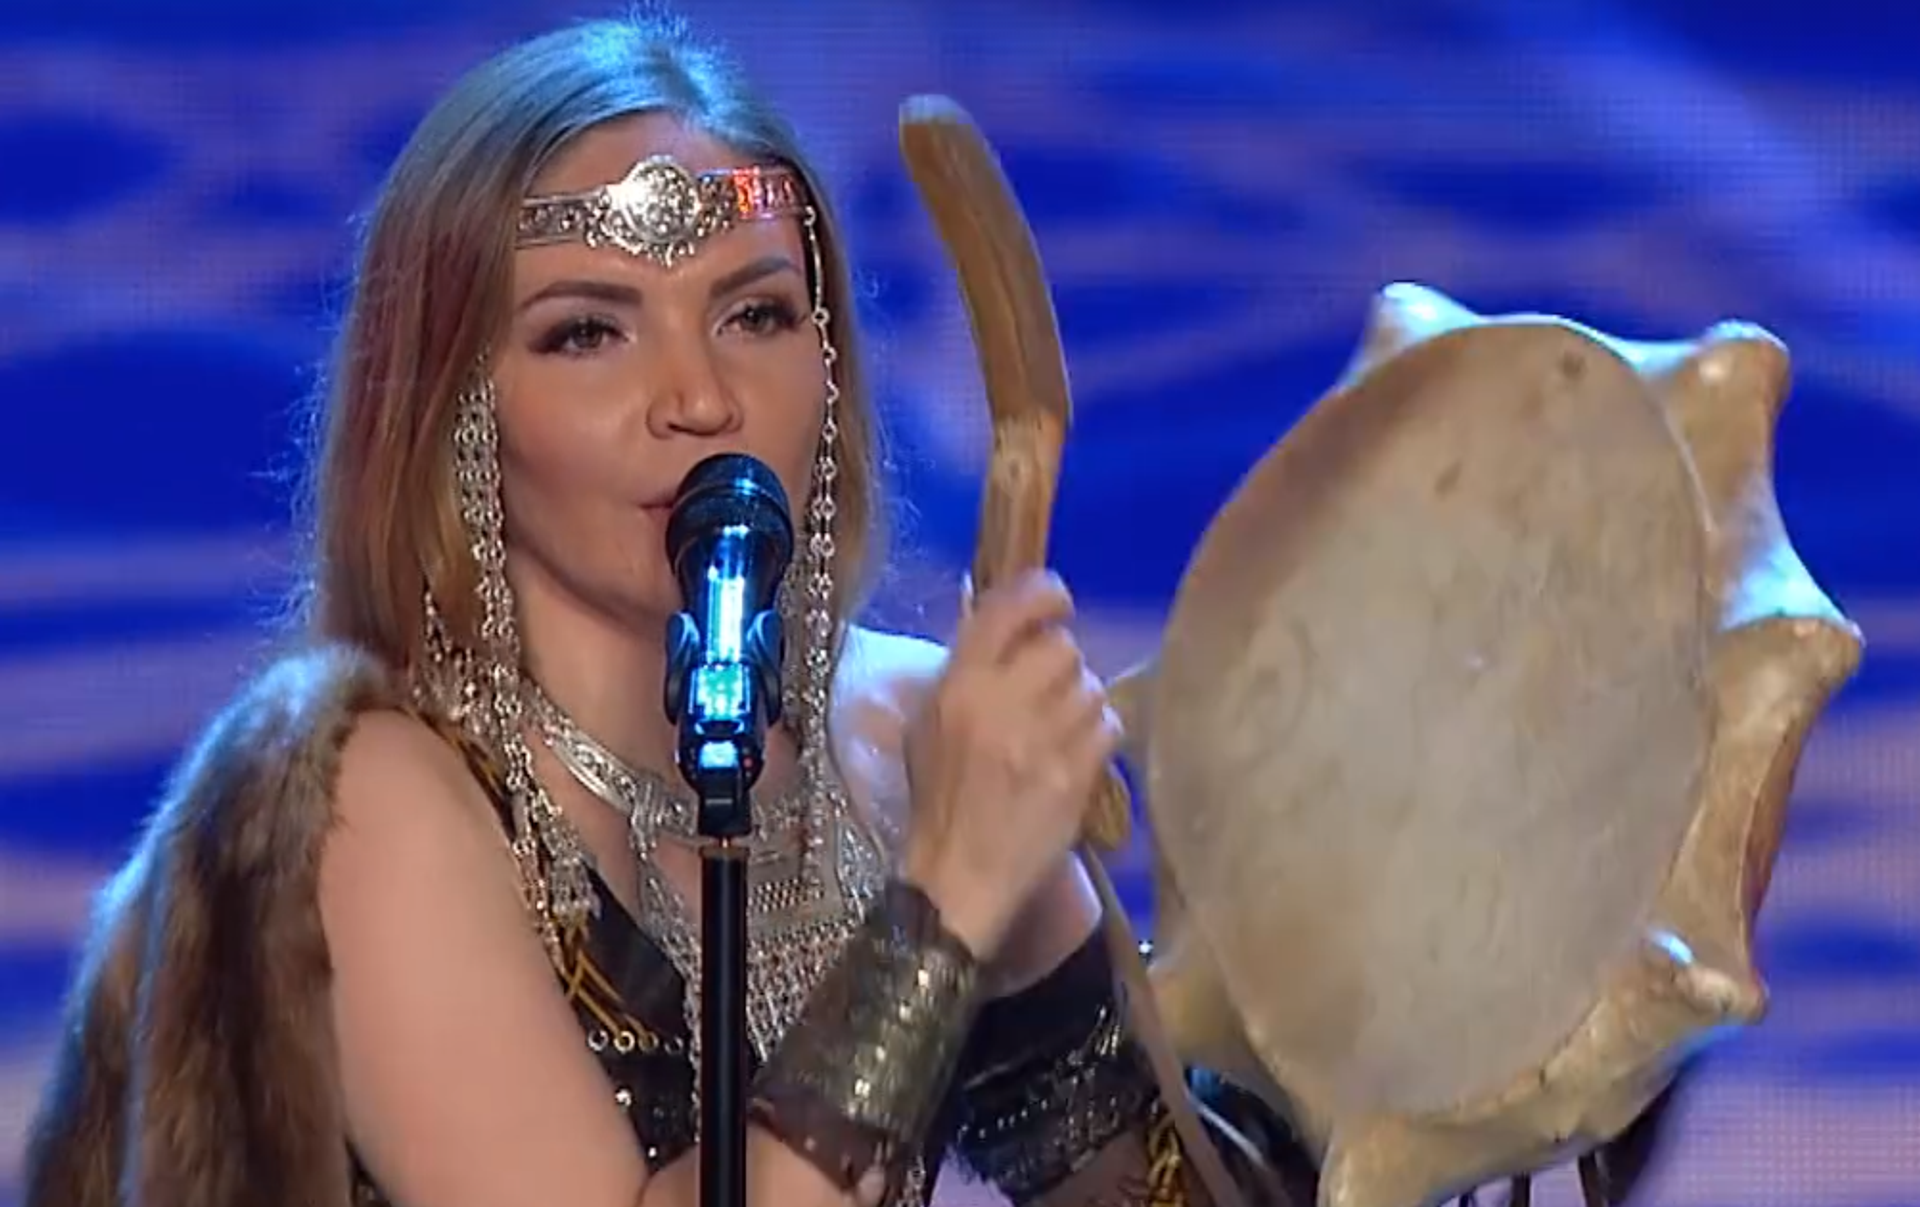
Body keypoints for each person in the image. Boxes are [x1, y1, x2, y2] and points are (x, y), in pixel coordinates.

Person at [19, 13, 1304, 1207]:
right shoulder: (367, 802)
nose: (699, 397)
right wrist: (949, 894)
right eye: (589, 333)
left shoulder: (901, 735)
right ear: (457, 408)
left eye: (756, 314)